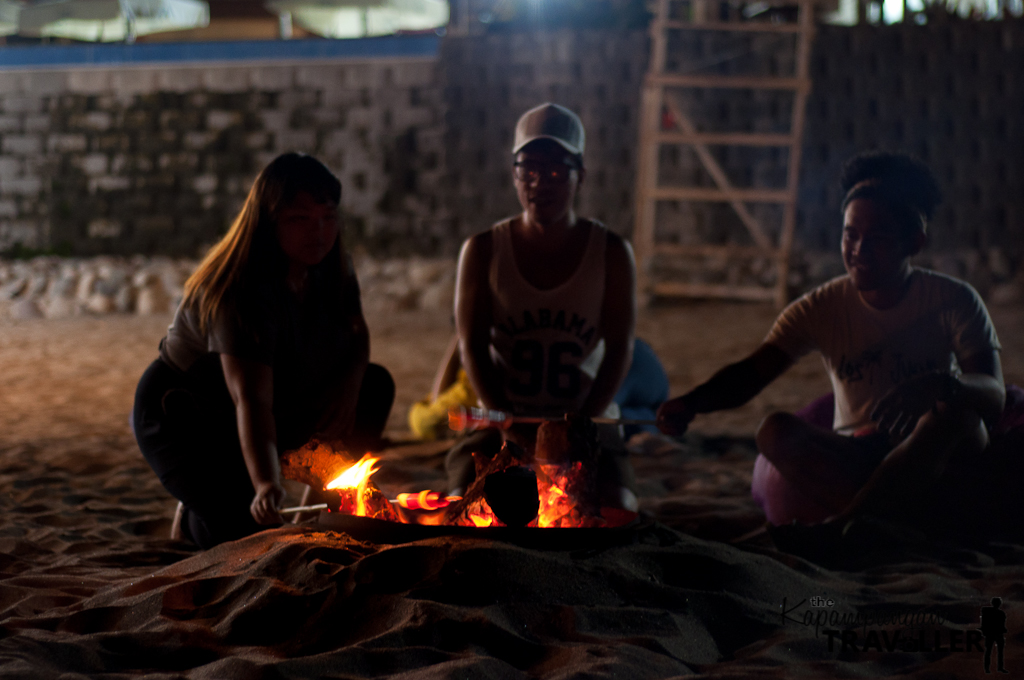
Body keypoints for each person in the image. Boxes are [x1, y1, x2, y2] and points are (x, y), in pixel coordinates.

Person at [657, 151, 1004, 531]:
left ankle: (850, 523)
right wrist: (691, 403)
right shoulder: (821, 307)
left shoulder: (953, 298)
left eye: (878, 238)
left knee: (956, 417)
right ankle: (883, 524)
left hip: (935, 451)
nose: (859, 250)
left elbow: (993, 391)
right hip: (857, 453)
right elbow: (752, 373)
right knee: (772, 431)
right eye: (850, 235)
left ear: (914, 242)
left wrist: (943, 385)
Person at [133, 153, 394, 548]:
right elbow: (250, 400)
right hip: (189, 416)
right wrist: (266, 484)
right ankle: (194, 516)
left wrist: (351, 386)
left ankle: (327, 507)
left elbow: (357, 336)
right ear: (269, 223)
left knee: (375, 385)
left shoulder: (333, 267)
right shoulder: (240, 290)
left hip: (276, 399)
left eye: (328, 216)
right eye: (299, 219)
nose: (319, 232)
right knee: (246, 540)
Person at [448, 102, 639, 509]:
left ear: (580, 176)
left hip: (587, 416)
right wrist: (505, 422)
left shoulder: (611, 253)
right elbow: (472, 345)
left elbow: (621, 348)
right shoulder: (483, 250)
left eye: (555, 171)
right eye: (528, 169)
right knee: (461, 507)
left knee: (617, 509)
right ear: (514, 173)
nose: (540, 183)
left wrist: (583, 423)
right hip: (505, 417)